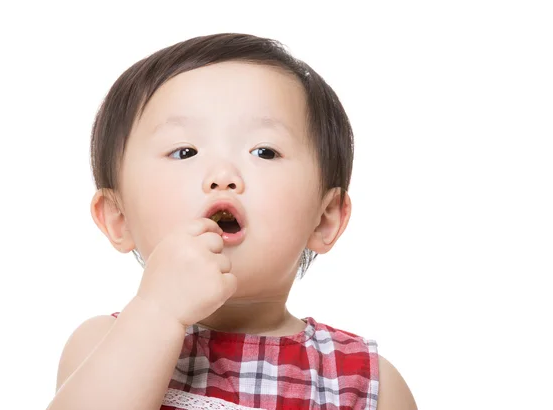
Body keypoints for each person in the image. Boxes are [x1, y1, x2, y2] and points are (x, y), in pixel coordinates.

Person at [47, 33, 417, 410]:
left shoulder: (366, 383)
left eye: (264, 151)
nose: (223, 174)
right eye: (184, 151)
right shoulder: (103, 346)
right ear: (118, 218)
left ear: (324, 219)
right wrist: (158, 310)